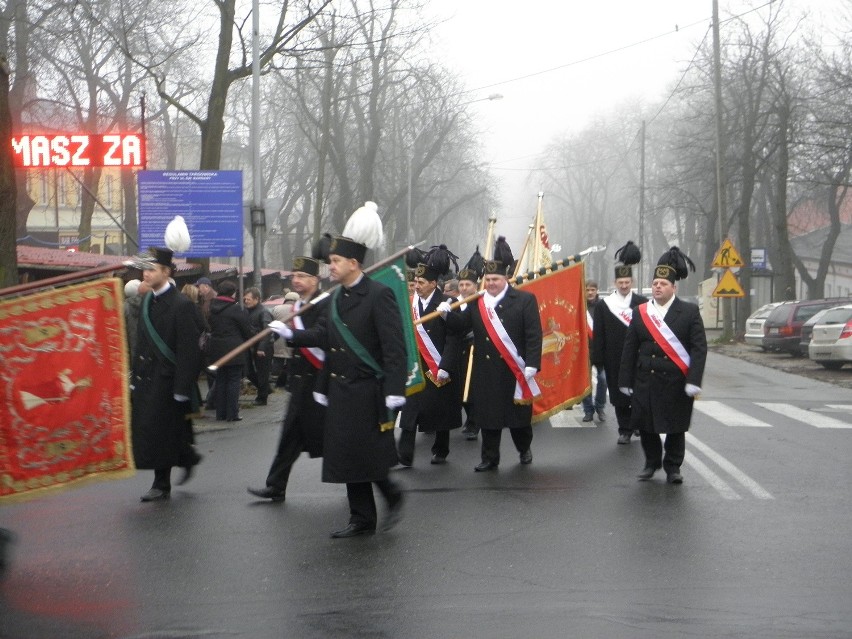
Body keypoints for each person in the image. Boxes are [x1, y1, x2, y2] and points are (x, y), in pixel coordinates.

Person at [269, 201, 406, 538]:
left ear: (354, 263)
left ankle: (391, 495)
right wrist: (293, 335)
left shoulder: (379, 295)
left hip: (369, 390)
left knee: (367, 454)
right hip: (340, 390)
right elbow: (327, 338)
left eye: (334, 261)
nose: (329, 267)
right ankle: (361, 518)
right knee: (346, 455)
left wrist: (394, 390)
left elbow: (394, 347)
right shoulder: (334, 299)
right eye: (330, 261)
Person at [440, 237, 542, 472]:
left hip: (515, 370)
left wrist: (533, 364)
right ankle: (489, 458)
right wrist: (447, 315)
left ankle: (524, 448)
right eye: (488, 279)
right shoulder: (478, 302)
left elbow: (534, 335)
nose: (492, 283)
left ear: (505, 278)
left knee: (519, 420)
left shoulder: (525, 300)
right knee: (489, 418)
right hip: (487, 372)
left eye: (496, 279)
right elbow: (460, 326)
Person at [619, 247, 707, 484]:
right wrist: (625, 381)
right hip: (646, 379)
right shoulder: (640, 313)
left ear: (673, 288)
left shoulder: (688, 312)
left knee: (675, 428)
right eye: (655, 283)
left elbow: (699, 349)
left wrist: (694, 381)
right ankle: (651, 462)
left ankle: (673, 467)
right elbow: (629, 348)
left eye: (663, 284)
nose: (658, 287)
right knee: (646, 426)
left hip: (676, 381)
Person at [248, 258, 328, 502]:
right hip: (301, 382)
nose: (296, 280)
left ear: (315, 280)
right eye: (295, 275)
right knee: (289, 435)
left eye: (302, 276)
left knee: (337, 439)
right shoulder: (298, 305)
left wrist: (291, 334)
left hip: (323, 382)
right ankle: (276, 485)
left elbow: (322, 335)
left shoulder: (324, 304)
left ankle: (365, 482)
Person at [130, 247, 204, 502]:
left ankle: (161, 484)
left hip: (168, 379)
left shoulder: (182, 304)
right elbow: (141, 342)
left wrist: (183, 387)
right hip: (147, 377)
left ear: (167, 271)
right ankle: (188, 457)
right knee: (167, 429)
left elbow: (189, 349)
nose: (146, 273)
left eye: (151, 269)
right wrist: (134, 376)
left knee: (160, 430)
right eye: (144, 269)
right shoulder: (148, 300)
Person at [397, 252, 462, 466]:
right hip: (416, 366)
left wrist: (446, 365)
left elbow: (455, 335)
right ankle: (404, 455)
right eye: (415, 281)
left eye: (422, 282)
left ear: (434, 283)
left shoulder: (447, 302)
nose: (417, 286)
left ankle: (440, 450)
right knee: (409, 411)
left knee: (439, 411)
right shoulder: (409, 303)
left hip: (437, 365)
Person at [591, 241, 647, 444]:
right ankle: (625, 430)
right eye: (620, 283)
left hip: (639, 358)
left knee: (639, 394)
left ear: (631, 282)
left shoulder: (642, 303)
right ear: (615, 283)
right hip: (613, 358)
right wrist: (598, 360)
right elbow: (599, 335)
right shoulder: (604, 306)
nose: (624, 286)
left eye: (627, 283)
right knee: (619, 395)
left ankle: (637, 424)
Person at [207, 279, 253, 422]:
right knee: (233, 381)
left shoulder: (212, 308)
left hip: (216, 349)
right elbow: (246, 330)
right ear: (233, 294)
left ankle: (220, 414)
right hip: (234, 349)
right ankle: (232, 414)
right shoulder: (237, 309)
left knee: (221, 380)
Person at [456, 252, 483, 441]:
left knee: (474, 389)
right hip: (459, 351)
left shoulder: (481, 302)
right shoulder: (453, 303)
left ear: (475, 286)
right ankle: (469, 419)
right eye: (462, 285)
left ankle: (475, 423)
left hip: (478, 351)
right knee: (460, 389)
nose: (464, 288)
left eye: (468, 285)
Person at [581, 279, 607, 423]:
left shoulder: (603, 306)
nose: (590, 293)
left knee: (603, 379)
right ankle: (588, 410)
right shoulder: (579, 306)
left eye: (593, 290)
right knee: (585, 382)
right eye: (587, 290)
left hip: (600, 350)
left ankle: (600, 406)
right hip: (584, 351)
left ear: (597, 291)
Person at [244, 286, 273, 406]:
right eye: (245, 299)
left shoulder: (263, 312)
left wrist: (261, 347)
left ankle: (262, 397)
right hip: (252, 346)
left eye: (248, 299)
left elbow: (267, 331)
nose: (246, 301)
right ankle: (266, 389)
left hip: (263, 347)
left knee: (262, 373)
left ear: (257, 299)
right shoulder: (248, 311)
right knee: (249, 371)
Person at [271, 291, 299, 388]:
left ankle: (275, 381)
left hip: (278, 339)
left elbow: (271, 322)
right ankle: (289, 381)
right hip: (292, 338)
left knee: (277, 360)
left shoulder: (276, 308)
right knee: (291, 361)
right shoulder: (297, 309)